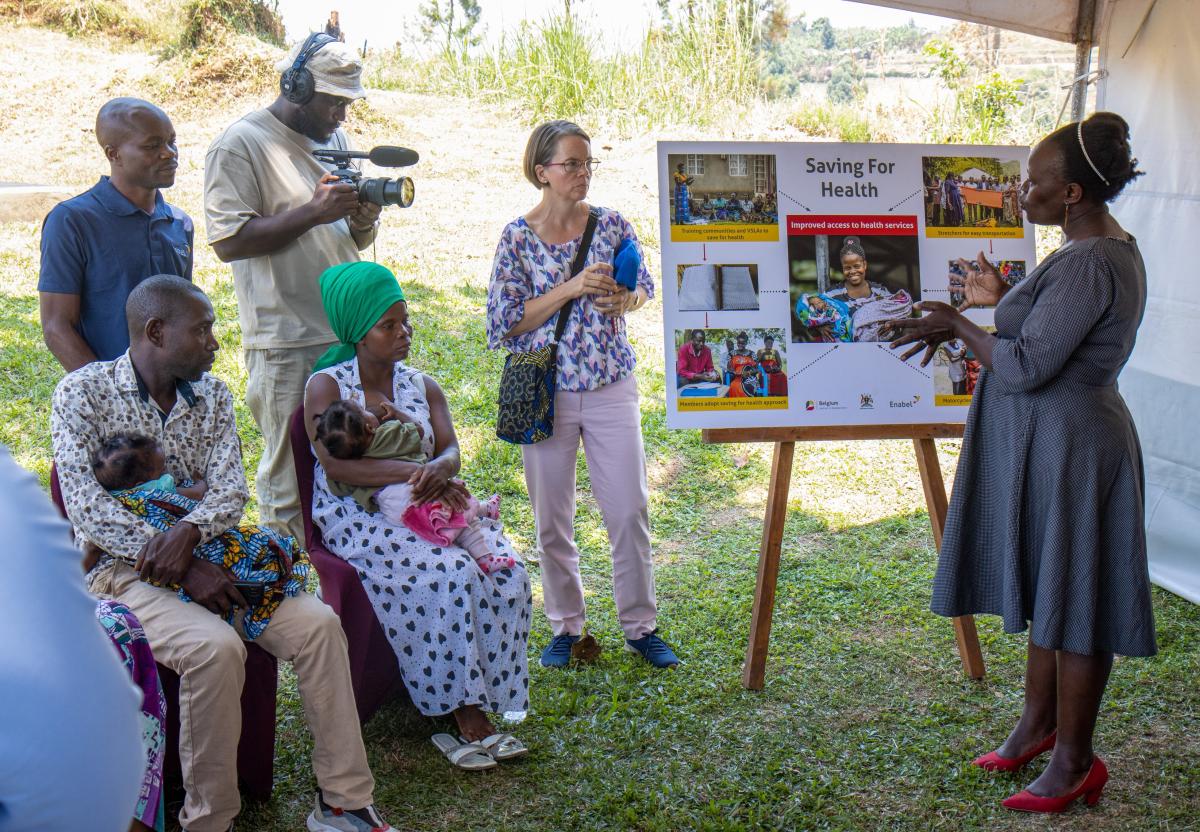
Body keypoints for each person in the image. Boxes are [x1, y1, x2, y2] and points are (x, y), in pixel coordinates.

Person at [51, 275, 392, 832]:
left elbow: (230, 490)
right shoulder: (82, 393)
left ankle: (344, 803)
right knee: (215, 649)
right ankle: (210, 821)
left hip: (223, 559)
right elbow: (87, 508)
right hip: (120, 570)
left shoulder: (212, 396)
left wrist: (188, 539)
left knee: (319, 625)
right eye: (203, 330)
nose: (216, 342)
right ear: (156, 332)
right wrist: (180, 563)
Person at [885, 112, 1151, 814]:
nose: (1020, 189)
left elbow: (1030, 364)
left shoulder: (1095, 258)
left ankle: (1075, 761)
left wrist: (960, 325)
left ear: (1070, 194)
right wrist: (998, 304)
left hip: (1076, 449)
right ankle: (1036, 729)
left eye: (1034, 181)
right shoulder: (1082, 250)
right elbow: (1050, 332)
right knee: (1052, 590)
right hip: (1051, 442)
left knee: (1078, 601)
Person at [305, 263, 530, 765]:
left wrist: (440, 470)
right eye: (389, 325)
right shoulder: (326, 386)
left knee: (506, 571)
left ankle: (490, 692)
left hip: (431, 503)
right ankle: (467, 714)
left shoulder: (421, 385)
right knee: (449, 572)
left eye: (405, 321)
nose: (403, 333)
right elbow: (333, 461)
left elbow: (449, 450)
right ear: (357, 333)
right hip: (360, 517)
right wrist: (415, 472)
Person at [487, 120, 679, 669]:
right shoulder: (516, 238)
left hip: (611, 386)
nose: (582, 173)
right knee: (553, 519)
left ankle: (641, 627)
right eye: (571, 164)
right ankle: (566, 628)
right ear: (541, 171)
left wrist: (628, 301)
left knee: (629, 511)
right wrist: (570, 287)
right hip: (545, 393)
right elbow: (503, 323)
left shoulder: (613, 223)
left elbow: (643, 281)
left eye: (588, 163)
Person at [203, 35, 382, 541]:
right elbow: (229, 240)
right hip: (285, 339)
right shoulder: (239, 144)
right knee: (292, 478)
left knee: (352, 462)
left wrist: (363, 219)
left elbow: (348, 234)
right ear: (296, 85)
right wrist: (313, 211)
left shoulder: (338, 143)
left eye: (348, 103)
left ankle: (343, 597)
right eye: (333, 102)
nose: (341, 117)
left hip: (347, 335)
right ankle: (288, 597)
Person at [92, 431, 312, 640]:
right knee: (259, 544)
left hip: (148, 572)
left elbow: (89, 550)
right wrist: (200, 483)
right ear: (145, 481)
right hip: (192, 554)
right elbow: (197, 495)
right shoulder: (158, 489)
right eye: (160, 470)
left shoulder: (113, 500)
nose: (167, 472)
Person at [39, 98, 192, 372]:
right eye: (152, 145)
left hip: (175, 397)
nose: (169, 153)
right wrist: (109, 393)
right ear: (114, 154)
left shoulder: (179, 224)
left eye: (172, 141)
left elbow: (184, 318)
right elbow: (56, 327)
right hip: (105, 401)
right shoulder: (72, 220)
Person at [314, 398, 514, 575]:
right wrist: (399, 415)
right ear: (369, 427)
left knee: (450, 511)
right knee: (456, 511)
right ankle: (484, 556)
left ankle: (484, 509)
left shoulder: (350, 463)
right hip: (415, 491)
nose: (369, 411)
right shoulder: (389, 435)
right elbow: (418, 431)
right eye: (364, 411)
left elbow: (337, 486)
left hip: (392, 508)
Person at [824, 237, 911, 342]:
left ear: (864, 265)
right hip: (843, 354)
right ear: (842, 268)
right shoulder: (830, 295)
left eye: (857, 266)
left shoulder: (881, 292)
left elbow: (898, 318)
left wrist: (891, 326)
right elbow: (813, 322)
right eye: (847, 268)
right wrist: (819, 328)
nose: (852, 271)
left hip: (877, 353)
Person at [725, 332, 759, 398]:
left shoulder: (752, 354)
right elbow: (729, 368)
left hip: (750, 378)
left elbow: (756, 369)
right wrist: (735, 372)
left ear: (746, 343)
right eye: (738, 343)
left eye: (742, 343)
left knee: (749, 385)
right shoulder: (732, 354)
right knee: (734, 385)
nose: (740, 345)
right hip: (737, 377)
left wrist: (749, 372)